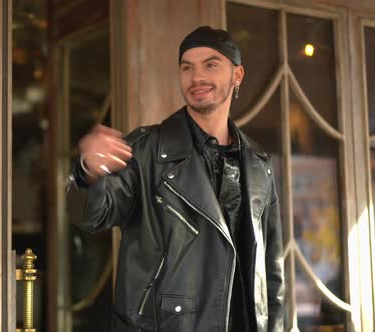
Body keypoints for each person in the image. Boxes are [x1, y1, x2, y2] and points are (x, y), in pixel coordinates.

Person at [67, 26, 285, 332]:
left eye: (210, 65)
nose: (196, 77)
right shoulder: (147, 149)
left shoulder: (259, 163)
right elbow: (88, 215)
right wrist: (87, 172)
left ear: (237, 75)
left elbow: (272, 272)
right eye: (187, 68)